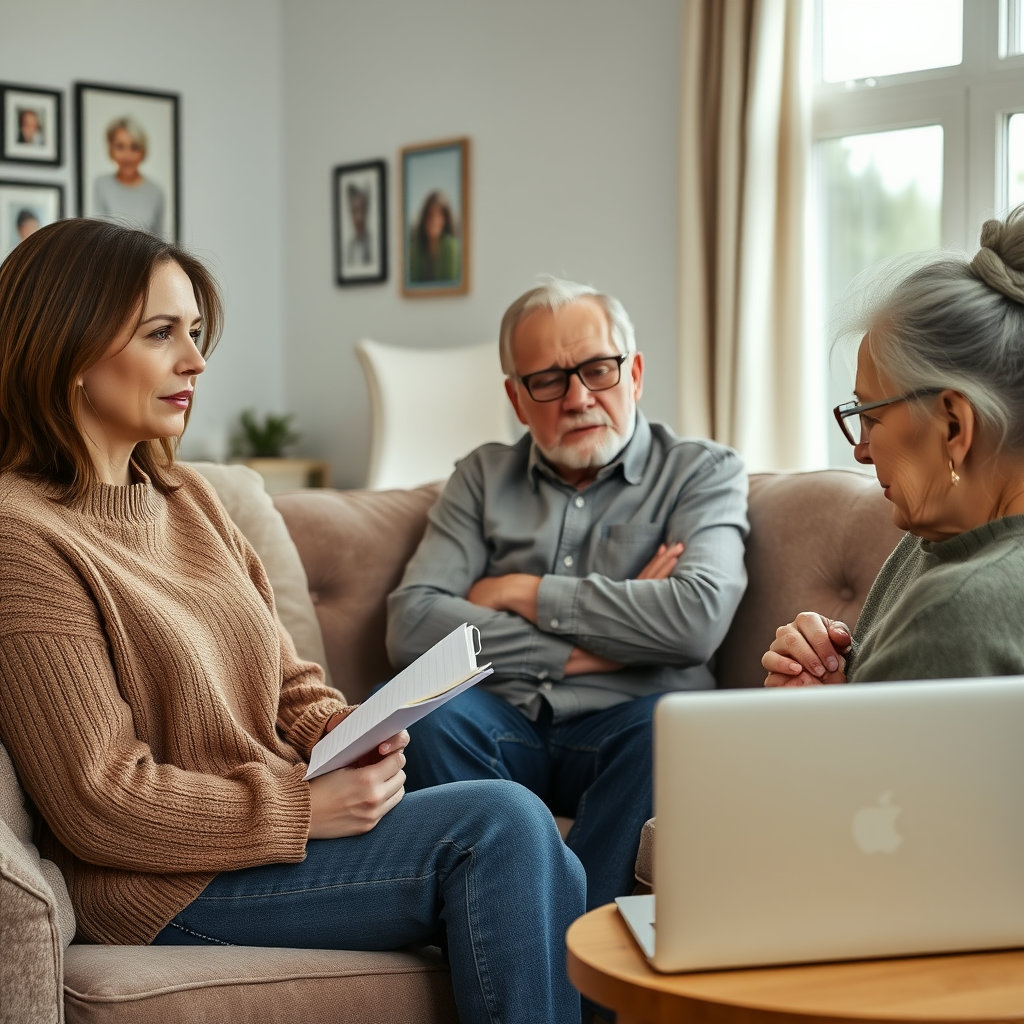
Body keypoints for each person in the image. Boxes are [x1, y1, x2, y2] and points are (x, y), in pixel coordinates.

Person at [0, 219, 586, 1024]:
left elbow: (290, 686)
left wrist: (351, 731)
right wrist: (303, 806)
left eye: (197, 333)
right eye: (162, 333)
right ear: (65, 350)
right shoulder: (22, 535)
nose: (196, 361)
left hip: (268, 839)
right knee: (505, 825)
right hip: (161, 882)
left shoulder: (192, 500)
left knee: (550, 858)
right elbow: (101, 800)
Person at [386, 277, 750, 910]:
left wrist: (520, 591)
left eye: (599, 369)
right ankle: (507, 941)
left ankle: (570, 962)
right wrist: (600, 644)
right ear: (516, 398)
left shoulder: (702, 471)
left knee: (673, 730)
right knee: (432, 719)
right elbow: (412, 623)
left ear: (634, 373)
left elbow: (695, 619)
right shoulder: (480, 478)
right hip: (504, 721)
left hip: (632, 721)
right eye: (549, 381)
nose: (579, 398)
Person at [763, 203, 1024, 690]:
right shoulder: (930, 543)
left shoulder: (956, 611)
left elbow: (848, 769)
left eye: (871, 416)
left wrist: (798, 721)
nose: (861, 452)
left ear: (952, 425)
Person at [93, 116, 165, 238]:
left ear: (142, 152)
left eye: (134, 147)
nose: (127, 155)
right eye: (120, 147)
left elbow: (159, 240)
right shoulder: (102, 185)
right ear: (111, 151)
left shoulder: (156, 192)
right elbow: (97, 235)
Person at [408, 189, 460, 283]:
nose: (434, 220)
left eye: (439, 215)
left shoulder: (451, 247)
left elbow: (450, 285)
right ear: (424, 218)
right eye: (430, 215)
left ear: (446, 220)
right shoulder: (416, 249)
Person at [345, 183, 374, 266]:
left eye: (362, 210)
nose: (358, 217)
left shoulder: (373, 242)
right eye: (354, 211)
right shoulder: (349, 246)